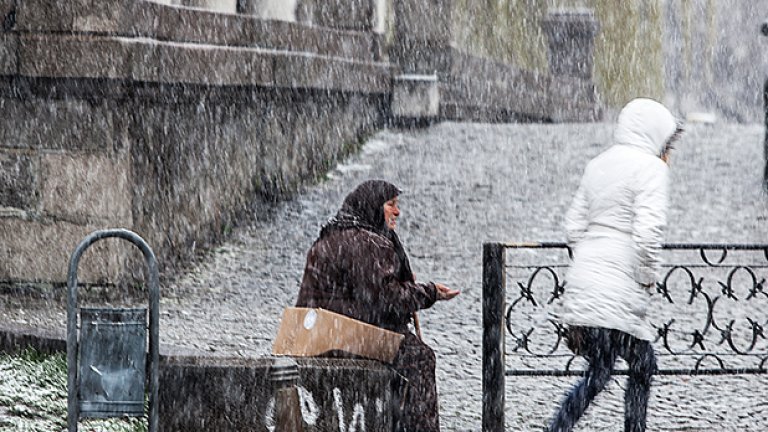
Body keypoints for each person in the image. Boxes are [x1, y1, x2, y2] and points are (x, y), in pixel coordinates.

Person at [547, 98, 683, 432]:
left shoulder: (599, 163)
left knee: (600, 371)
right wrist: (648, 276)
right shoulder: (652, 169)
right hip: (616, 291)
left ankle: (558, 427)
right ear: (657, 138)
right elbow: (649, 233)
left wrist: (591, 265)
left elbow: (573, 228)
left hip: (585, 285)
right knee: (642, 365)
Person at [295, 179, 459, 432]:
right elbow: (388, 298)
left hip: (322, 335)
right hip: (353, 337)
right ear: (373, 207)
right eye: (391, 205)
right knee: (420, 358)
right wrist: (430, 292)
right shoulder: (369, 243)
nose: (397, 212)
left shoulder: (328, 239)